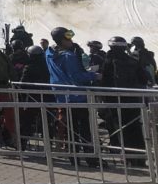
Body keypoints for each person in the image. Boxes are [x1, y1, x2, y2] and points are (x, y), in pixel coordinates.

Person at [46, 26, 100, 165]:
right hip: (77, 95)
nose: (71, 40)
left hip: (61, 95)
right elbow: (76, 76)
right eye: (68, 37)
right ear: (61, 40)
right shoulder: (68, 56)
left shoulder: (49, 53)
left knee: (70, 128)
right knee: (84, 128)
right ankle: (91, 158)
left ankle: (73, 157)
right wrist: (94, 75)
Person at [100, 36, 148, 158]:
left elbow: (103, 81)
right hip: (133, 100)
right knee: (135, 127)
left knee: (117, 127)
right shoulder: (133, 60)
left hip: (114, 101)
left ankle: (123, 155)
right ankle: (140, 155)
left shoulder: (108, 61)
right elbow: (144, 78)